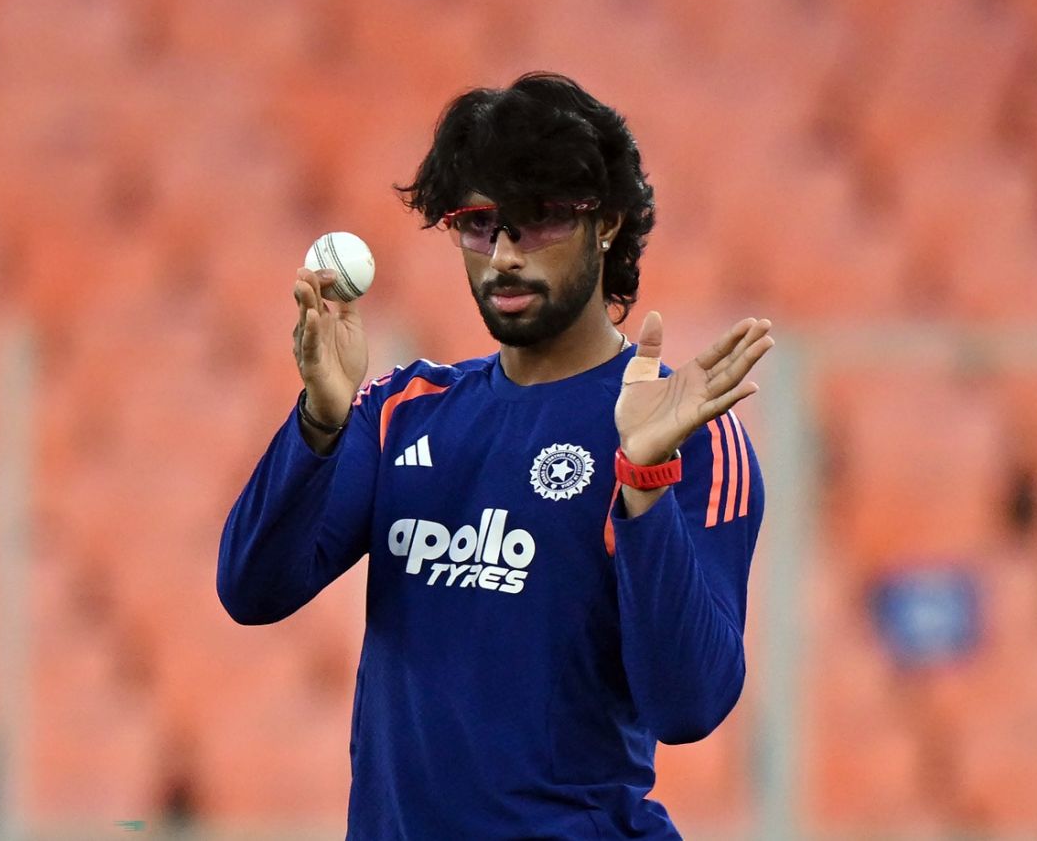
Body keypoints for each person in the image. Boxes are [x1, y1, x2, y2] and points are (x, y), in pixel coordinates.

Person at [218, 71, 773, 840]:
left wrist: (644, 480)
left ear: (607, 223)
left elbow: (689, 707)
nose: (503, 253)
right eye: (479, 223)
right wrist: (321, 418)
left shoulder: (692, 434)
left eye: (539, 218)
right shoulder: (403, 414)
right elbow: (252, 589)